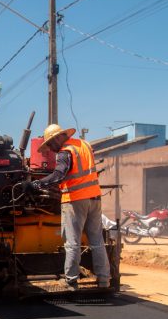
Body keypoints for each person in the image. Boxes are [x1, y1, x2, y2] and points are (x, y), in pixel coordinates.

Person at [29, 124, 110, 290]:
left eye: (51, 144)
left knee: (72, 242)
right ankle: (104, 280)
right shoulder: (84, 145)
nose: (51, 149)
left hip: (75, 200)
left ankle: (71, 281)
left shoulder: (65, 152)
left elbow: (58, 175)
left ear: (58, 137)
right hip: (94, 197)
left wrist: (36, 184)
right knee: (97, 241)